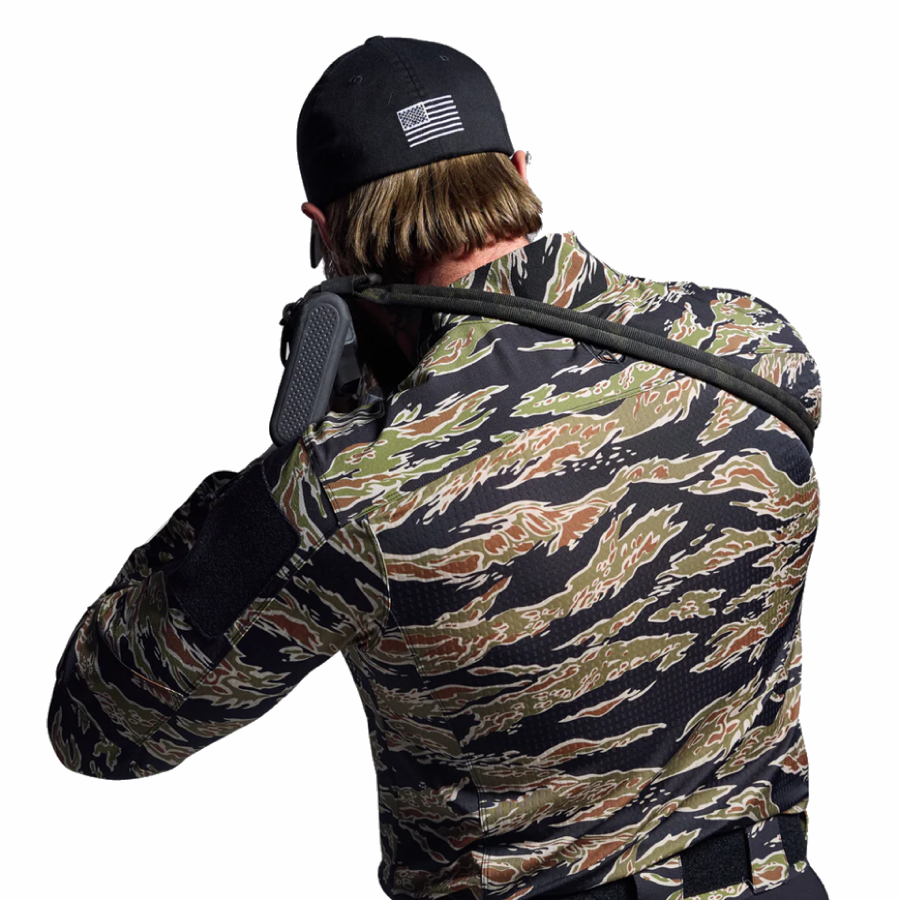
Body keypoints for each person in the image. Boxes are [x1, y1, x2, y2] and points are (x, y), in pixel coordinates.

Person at [47, 35, 829, 900]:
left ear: (323, 230)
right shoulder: (755, 347)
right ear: (520, 173)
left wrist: (279, 473)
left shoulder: (345, 489)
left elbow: (103, 725)